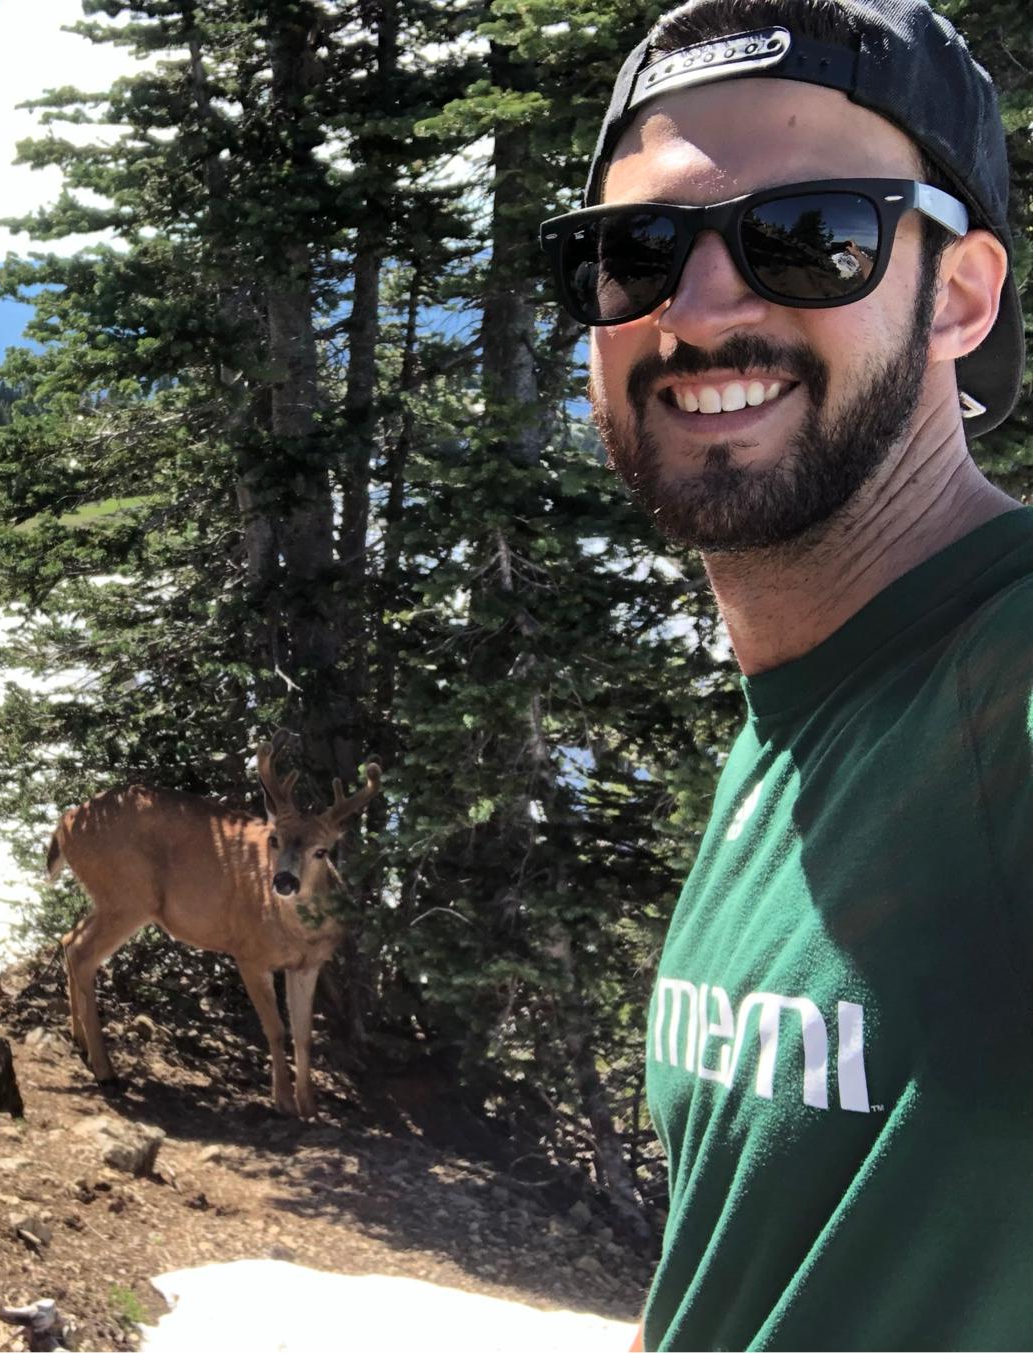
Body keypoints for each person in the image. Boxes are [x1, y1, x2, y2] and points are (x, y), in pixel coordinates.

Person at [542, 0, 1029, 1347]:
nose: (696, 311)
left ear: (963, 295)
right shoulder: (797, 727)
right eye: (634, 252)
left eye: (813, 236)